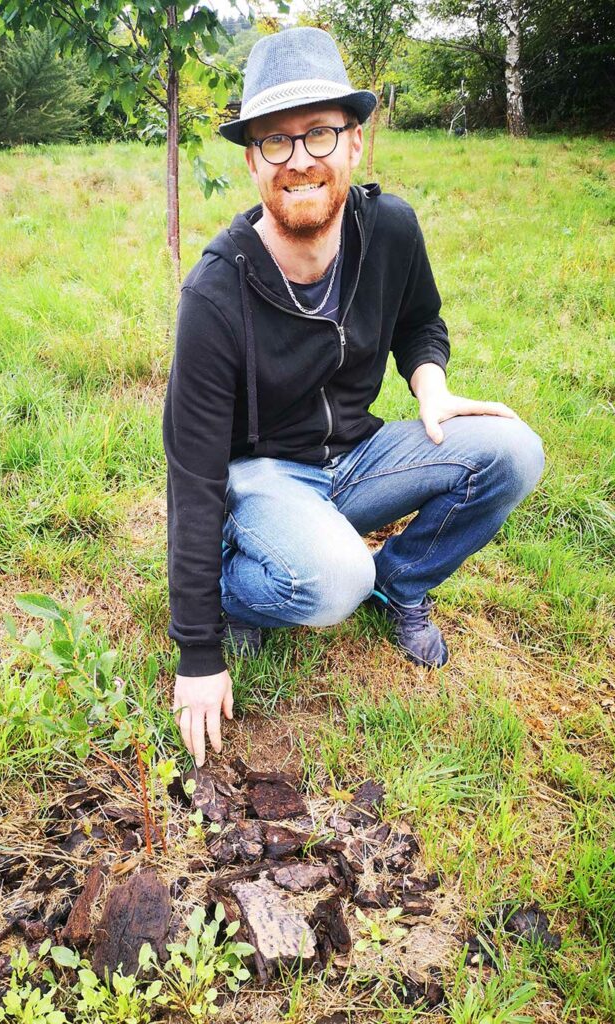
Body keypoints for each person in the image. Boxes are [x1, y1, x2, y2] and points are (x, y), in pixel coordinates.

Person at [162, 27, 545, 766]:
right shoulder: (216, 290)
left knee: (514, 451)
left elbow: (420, 320)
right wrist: (198, 650)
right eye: (276, 141)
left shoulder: (391, 229)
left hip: (359, 459)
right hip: (266, 475)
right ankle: (249, 592)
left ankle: (403, 582)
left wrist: (429, 388)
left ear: (354, 144)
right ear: (252, 162)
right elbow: (194, 473)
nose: (300, 158)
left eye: (319, 134)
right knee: (335, 578)